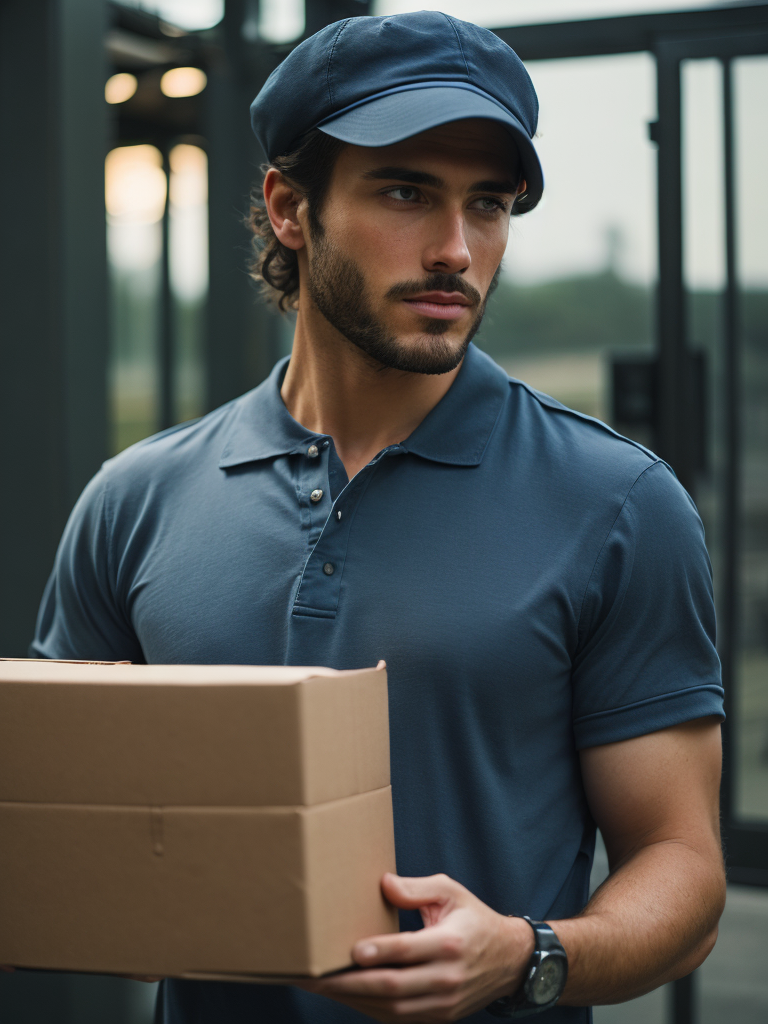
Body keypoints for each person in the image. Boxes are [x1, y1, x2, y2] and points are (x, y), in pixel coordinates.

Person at [31, 11, 725, 1024]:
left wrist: (528, 955)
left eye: (486, 205)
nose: (456, 249)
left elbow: (685, 870)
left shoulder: (618, 503)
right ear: (288, 207)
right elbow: (60, 825)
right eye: (406, 192)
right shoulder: (134, 499)